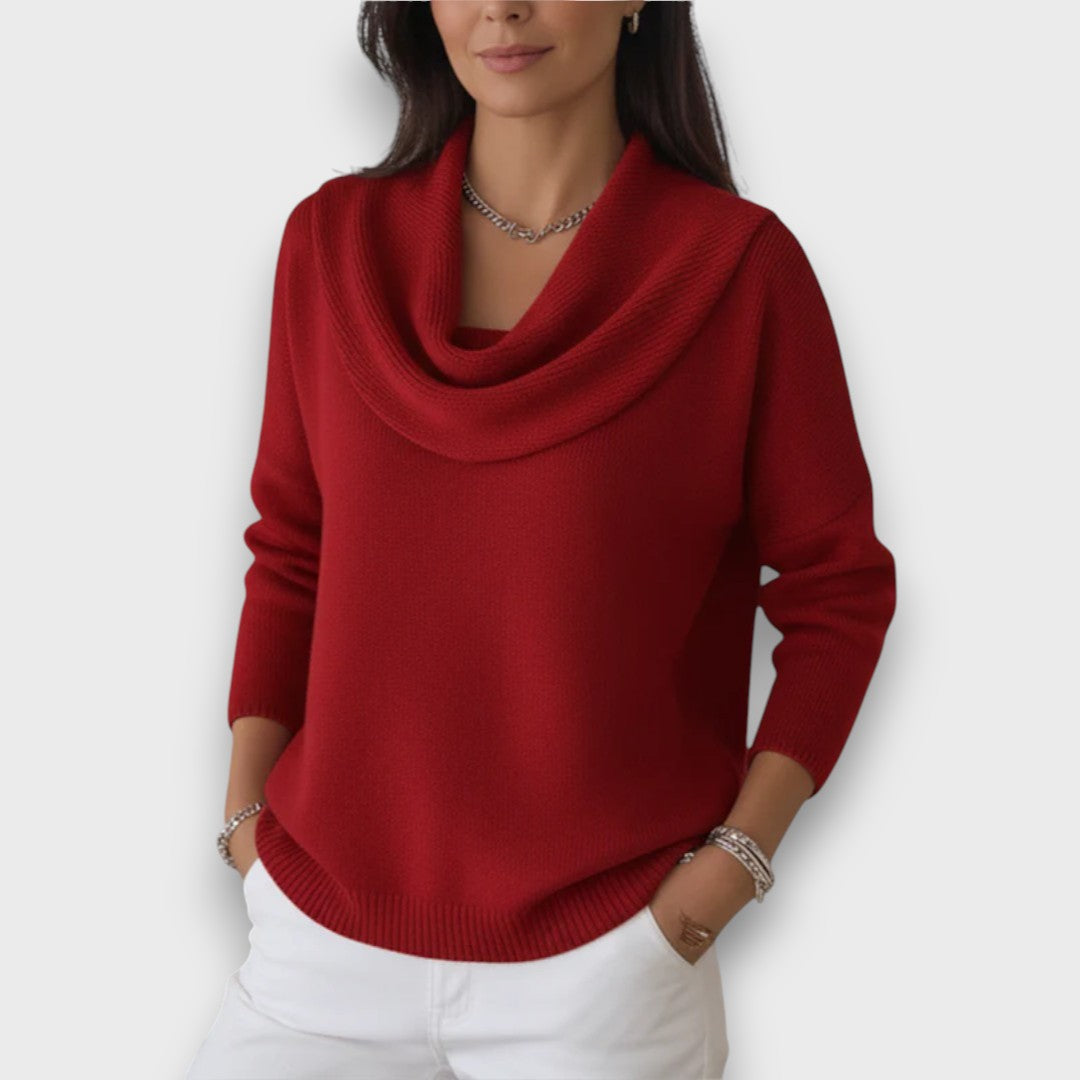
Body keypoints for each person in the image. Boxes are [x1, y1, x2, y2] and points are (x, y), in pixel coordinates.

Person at [185, 2, 897, 1078]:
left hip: (603, 971)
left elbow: (837, 588)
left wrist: (731, 870)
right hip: (316, 940)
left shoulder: (737, 270)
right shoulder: (331, 244)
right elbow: (293, 547)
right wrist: (245, 820)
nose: (503, 7)